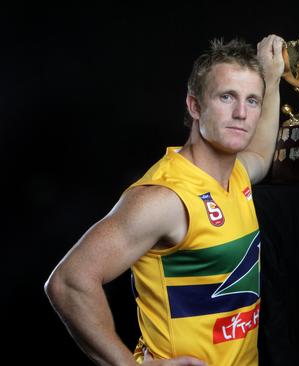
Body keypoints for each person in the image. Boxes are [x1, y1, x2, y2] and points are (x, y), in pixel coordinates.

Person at [44, 34, 285, 365]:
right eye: (227, 97)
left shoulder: (238, 173)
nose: (242, 113)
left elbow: (259, 151)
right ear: (195, 105)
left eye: (252, 101)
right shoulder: (165, 197)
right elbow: (69, 282)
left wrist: (271, 79)